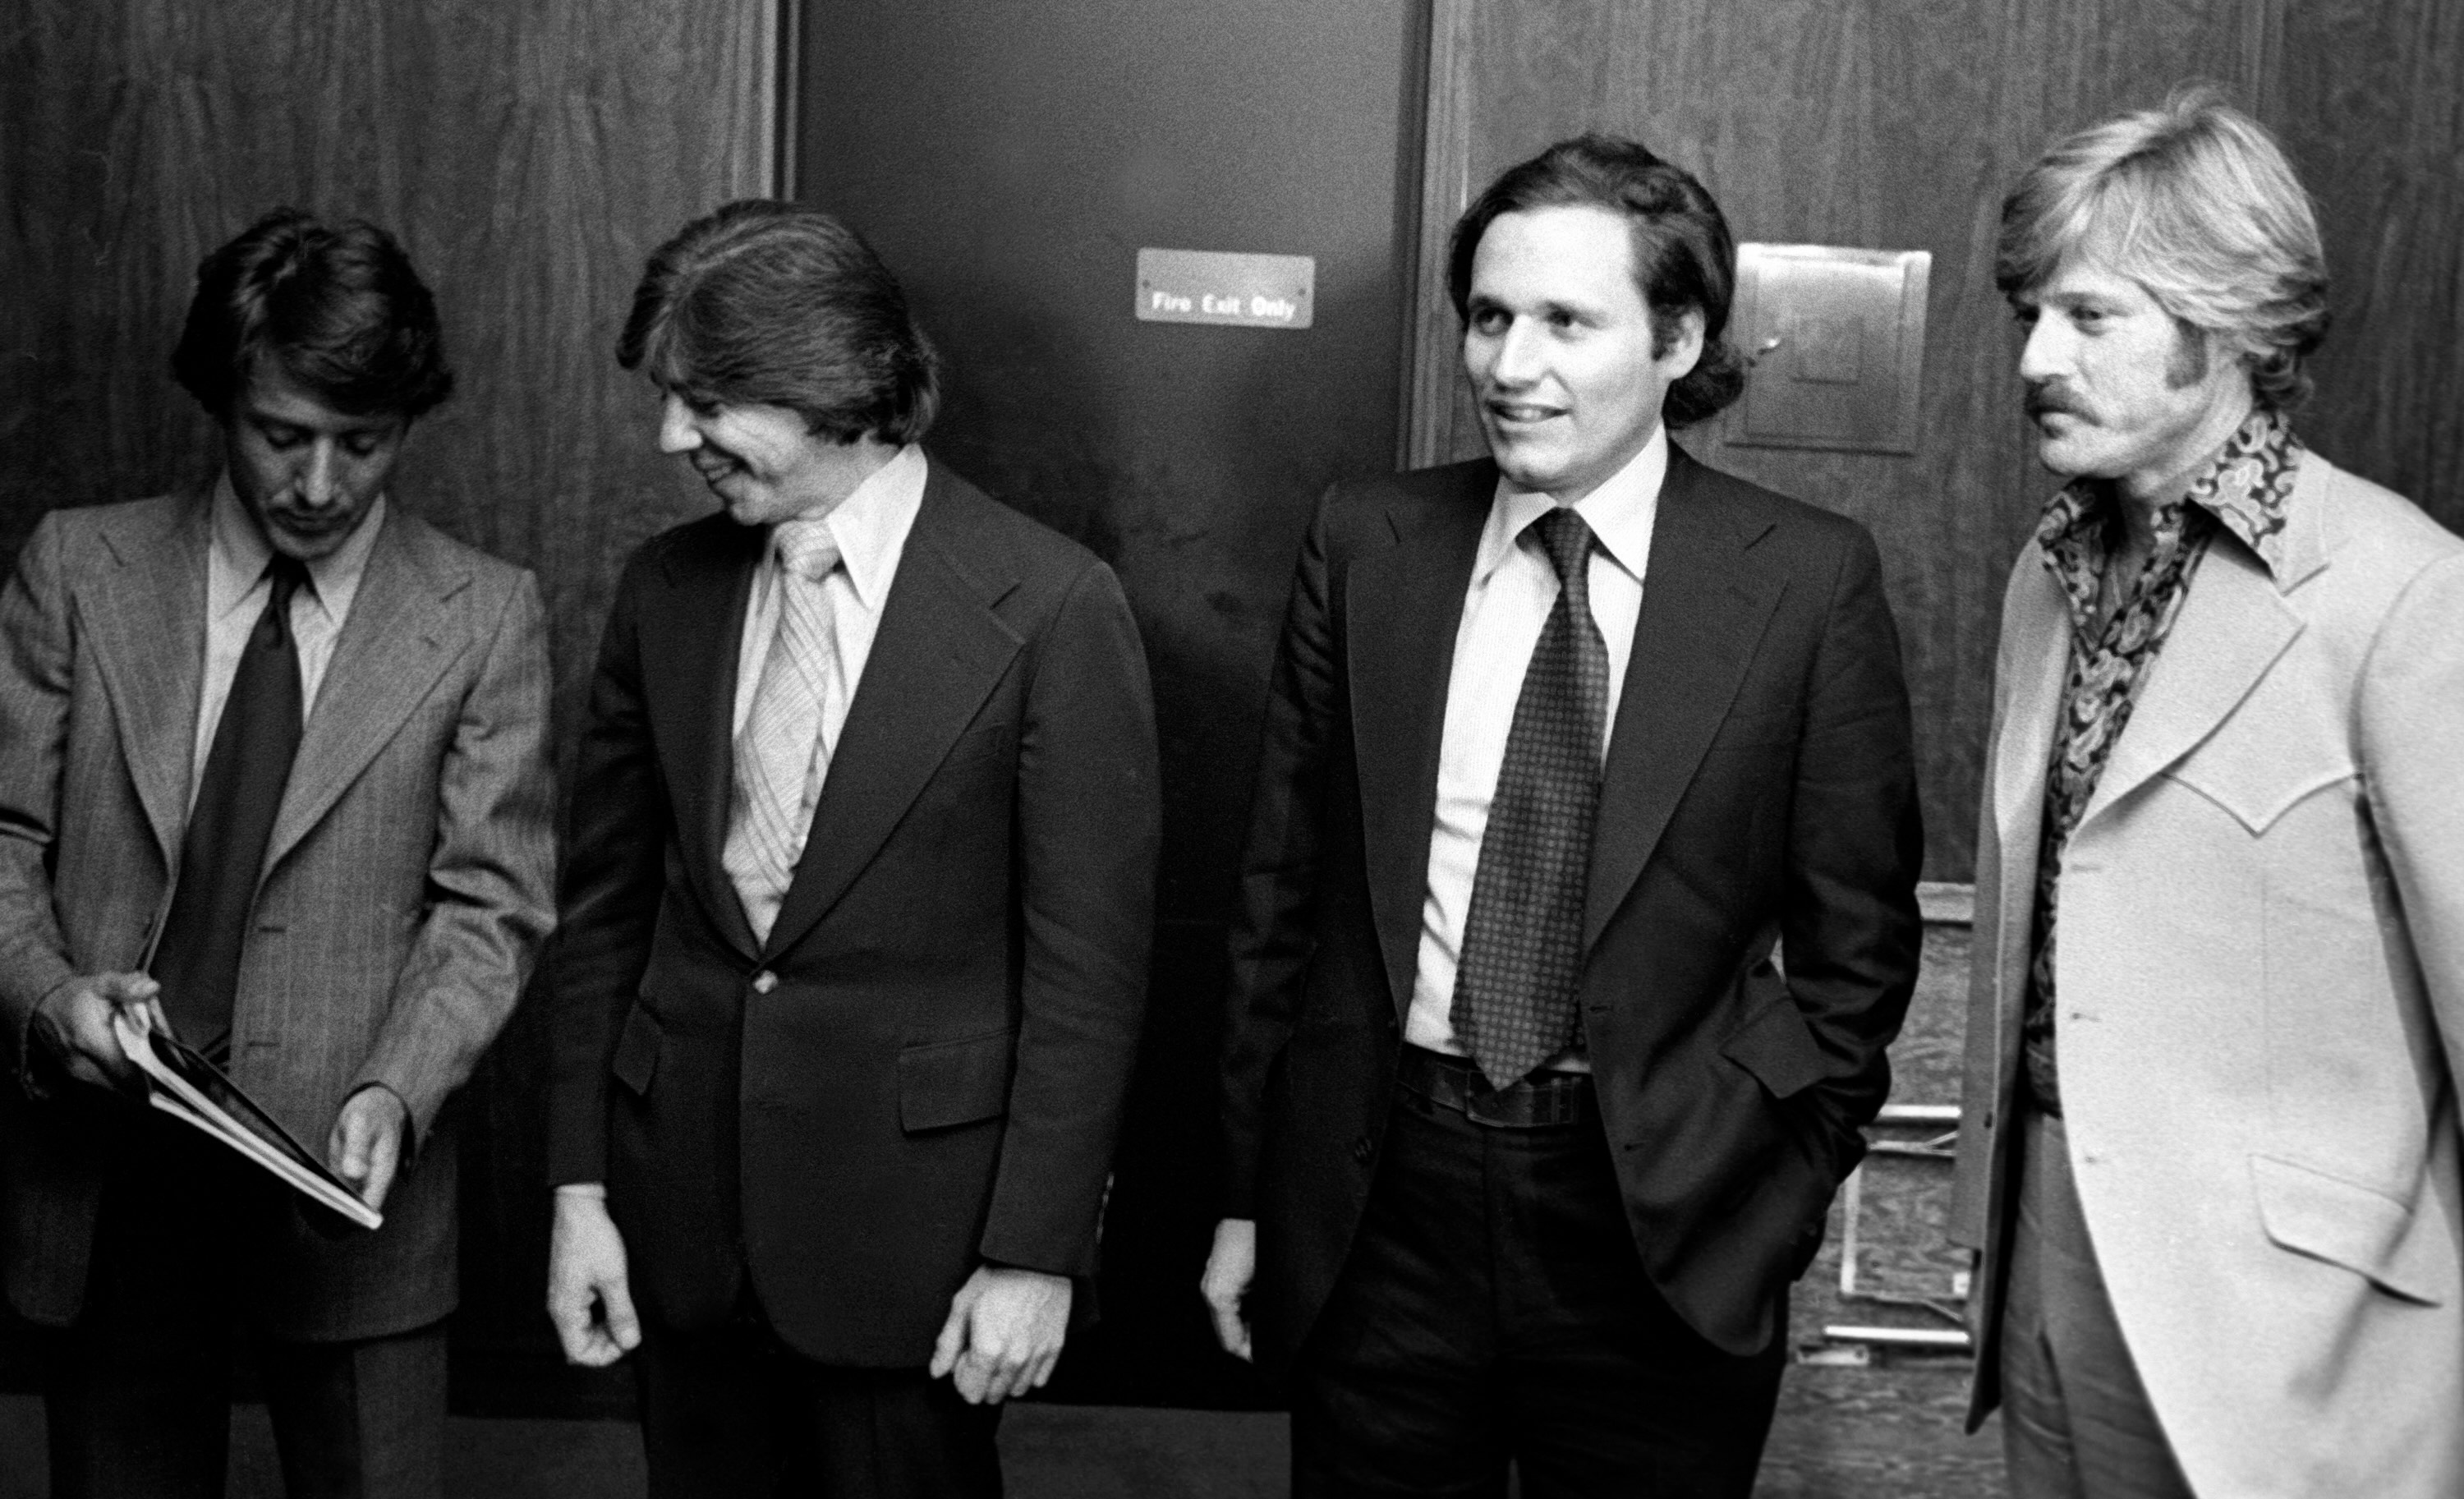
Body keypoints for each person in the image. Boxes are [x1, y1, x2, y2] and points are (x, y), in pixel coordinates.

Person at [1203, 134, 1924, 1497]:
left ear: (1678, 335)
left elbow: (1858, 952)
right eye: (1488, 317)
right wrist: (1249, 1195)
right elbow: (1279, 900)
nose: (1509, 365)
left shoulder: (1806, 583)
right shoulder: (1368, 542)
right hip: (1382, 1210)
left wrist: (1769, 1196)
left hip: (1659, 1226)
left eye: (1565, 322)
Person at [543, 200, 1159, 1497]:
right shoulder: (666, 589)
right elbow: (600, 915)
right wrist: (580, 1188)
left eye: (706, 400)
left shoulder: (1052, 606)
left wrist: (1037, 1251)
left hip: (916, 1261)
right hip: (683, 1243)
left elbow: (1087, 976)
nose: (671, 437)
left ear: (828, 382)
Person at [1949, 90, 2464, 1498]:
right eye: (2028, 318)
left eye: (2090, 317)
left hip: (2305, 1334)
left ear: (2230, 323)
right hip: (2051, 1248)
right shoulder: (2045, 575)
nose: (2036, 359)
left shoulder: (2405, 592)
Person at [0, 209, 557, 1498]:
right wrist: (49, 995)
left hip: (351, 1190)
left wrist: (397, 1089)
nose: (319, 485)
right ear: (220, 403)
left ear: (410, 421)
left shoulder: (485, 615)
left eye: (361, 444)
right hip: (112, 1179)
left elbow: (494, 903)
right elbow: (6, 838)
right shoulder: (78, 567)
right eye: (281, 436)